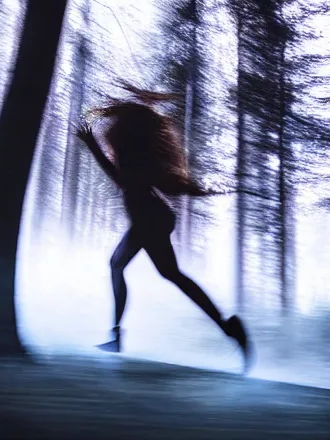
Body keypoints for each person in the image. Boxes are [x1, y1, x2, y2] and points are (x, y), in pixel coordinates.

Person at [76, 83, 253, 373]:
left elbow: (128, 181)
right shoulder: (135, 156)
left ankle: (229, 328)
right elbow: (124, 179)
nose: (114, 130)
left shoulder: (137, 158)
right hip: (148, 218)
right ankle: (118, 335)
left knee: (161, 273)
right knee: (130, 267)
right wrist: (95, 144)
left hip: (150, 218)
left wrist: (93, 145)